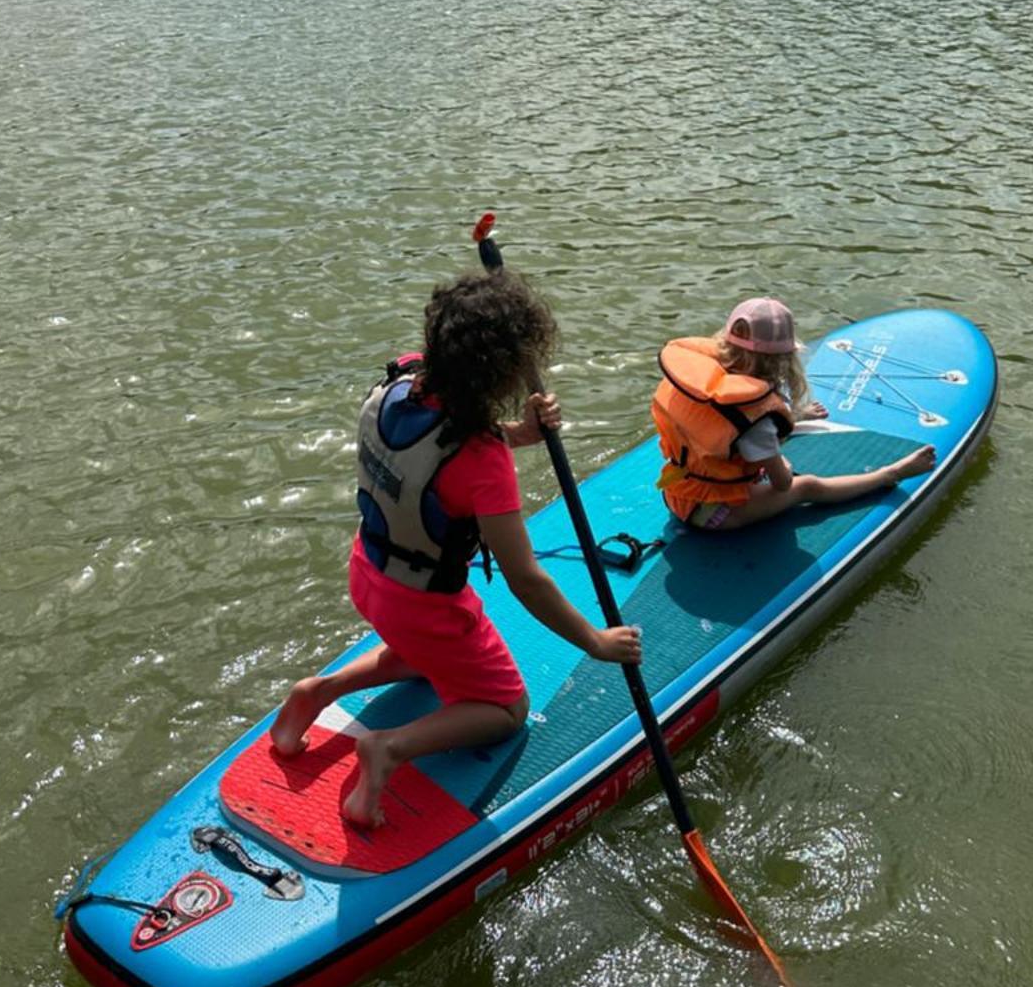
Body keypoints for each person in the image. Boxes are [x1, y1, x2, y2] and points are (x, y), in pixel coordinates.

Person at [271, 268, 641, 828]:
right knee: (506, 708)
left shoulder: (400, 380)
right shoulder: (481, 459)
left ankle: (319, 691)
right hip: (423, 606)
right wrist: (594, 640)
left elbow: (439, 449)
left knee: (425, 659)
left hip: (369, 574)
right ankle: (388, 749)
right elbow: (525, 578)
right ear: (504, 370)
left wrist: (522, 432)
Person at [652, 296, 935, 532]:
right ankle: (889, 474)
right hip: (713, 514)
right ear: (782, 362)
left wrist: (790, 419)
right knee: (807, 485)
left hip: (675, 492)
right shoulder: (757, 424)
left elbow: (720, 426)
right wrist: (783, 465)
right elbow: (782, 483)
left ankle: (791, 424)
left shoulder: (692, 383)